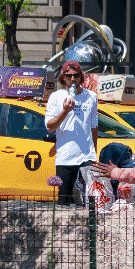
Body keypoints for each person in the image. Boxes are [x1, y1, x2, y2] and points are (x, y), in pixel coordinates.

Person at [45, 61, 98, 205]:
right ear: (63, 78)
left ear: (81, 77)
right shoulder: (56, 97)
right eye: (69, 76)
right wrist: (65, 111)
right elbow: (50, 126)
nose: (72, 79)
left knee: (88, 200)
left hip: (86, 155)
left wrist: (94, 154)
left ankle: (89, 227)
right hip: (66, 157)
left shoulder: (91, 96)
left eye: (76, 76)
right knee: (64, 201)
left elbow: (94, 127)